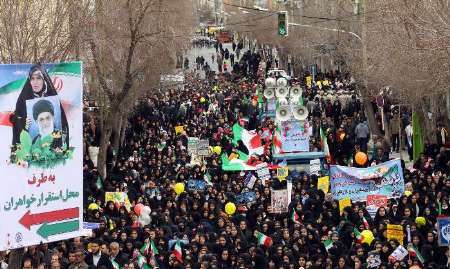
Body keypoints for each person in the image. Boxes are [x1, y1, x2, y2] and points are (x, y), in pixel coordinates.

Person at [11, 64, 69, 149]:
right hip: (33, 153)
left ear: (44, 79)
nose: (35, 82)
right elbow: (17, 123)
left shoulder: (52, 96)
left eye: (38, 78)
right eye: (32, 79)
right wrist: (24, 123)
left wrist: (61, 146)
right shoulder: (23, 100)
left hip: (55, 150)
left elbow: (64, 125)